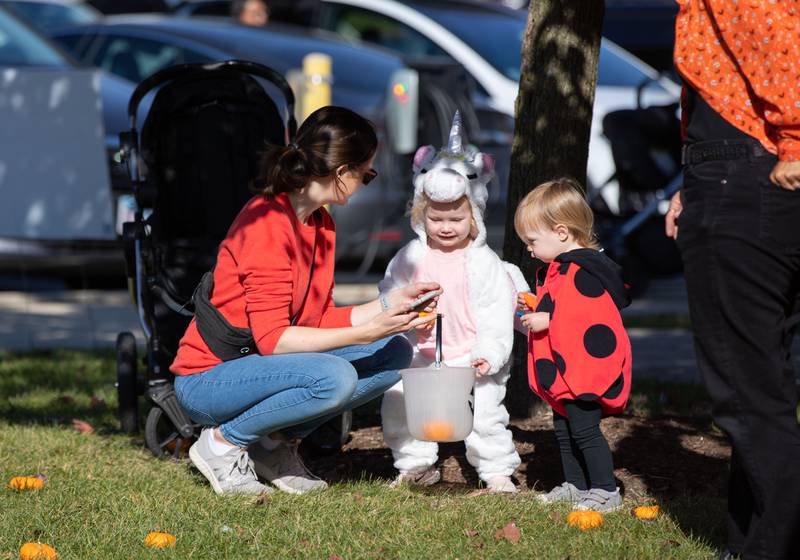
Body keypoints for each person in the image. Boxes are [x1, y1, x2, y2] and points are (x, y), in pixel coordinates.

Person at [170, 106, 438, 496]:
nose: (366, 180)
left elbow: (319, 317)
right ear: (342, 171)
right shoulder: (265, 226)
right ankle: (223, 444)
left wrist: (389, 304)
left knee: (394, 353)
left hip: (262, 368)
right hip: (209, 379)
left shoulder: (319, 222)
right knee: (335, 377)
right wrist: (364, 333)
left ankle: (270, 446)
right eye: (367, 172)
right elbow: (273, 340)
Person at [665, 2, 800, 557]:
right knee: (762, 380)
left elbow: (777, 36)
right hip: (734, 170)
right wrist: (691, 183)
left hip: (750, 176)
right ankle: (748, 542)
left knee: (748, 393)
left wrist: (796, 140)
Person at [379, 112, 527, 493]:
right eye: (436, 218)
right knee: (400, 403)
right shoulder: (410, 257)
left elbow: (497, 311)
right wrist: (405, 322)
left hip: (472, 352)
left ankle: (496, 469)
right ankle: (413, 463)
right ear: (421, 215)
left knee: (486, 413)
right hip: (421, 351)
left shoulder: (483, 263)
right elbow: (389, 295)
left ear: (474, 216)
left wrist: (491, 353)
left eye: (456, 218)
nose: (446, 226)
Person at [515, 178, 632, 512]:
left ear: (562, 232)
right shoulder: (561, 270)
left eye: (532, 240)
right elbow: (566, 305)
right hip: (564, 374)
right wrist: (538, 306)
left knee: (585, 431)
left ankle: (606, 491)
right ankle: (577, 486)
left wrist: (547, 321)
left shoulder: (584, 270)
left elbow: (590, 317)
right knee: (565, 430)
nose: (529, 248)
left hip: (582, 373)